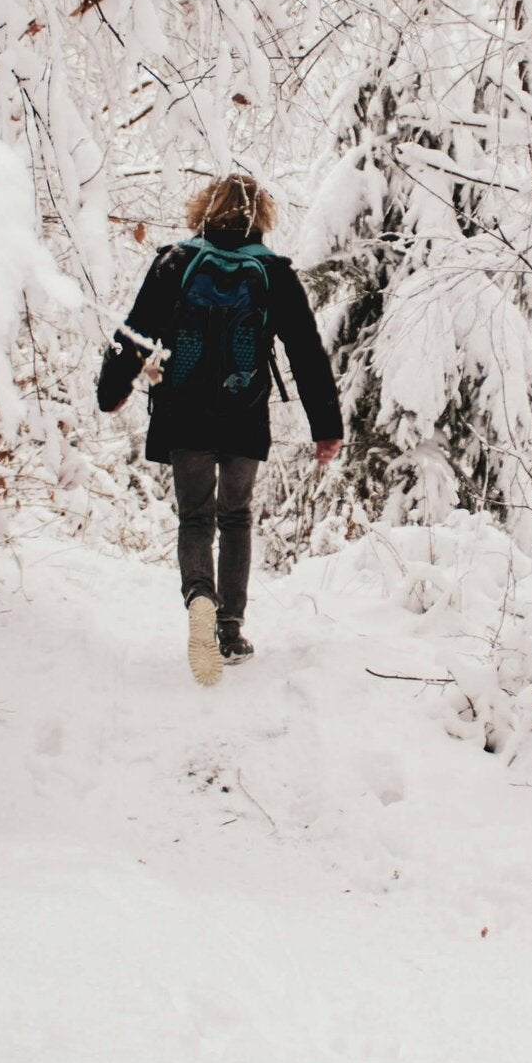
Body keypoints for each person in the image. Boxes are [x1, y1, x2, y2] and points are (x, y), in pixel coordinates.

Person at [96, 173, 343, 685]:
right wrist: (326, 426)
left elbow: (135, 330)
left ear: (205, 209)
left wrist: (112, 389)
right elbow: (306, 352)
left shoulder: (174, 262)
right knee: (235, 517)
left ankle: (199, 599)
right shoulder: (274, 273)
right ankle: (229, 629)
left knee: (195, 519)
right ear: (262, 216)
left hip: (183, 412)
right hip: (243, 413)